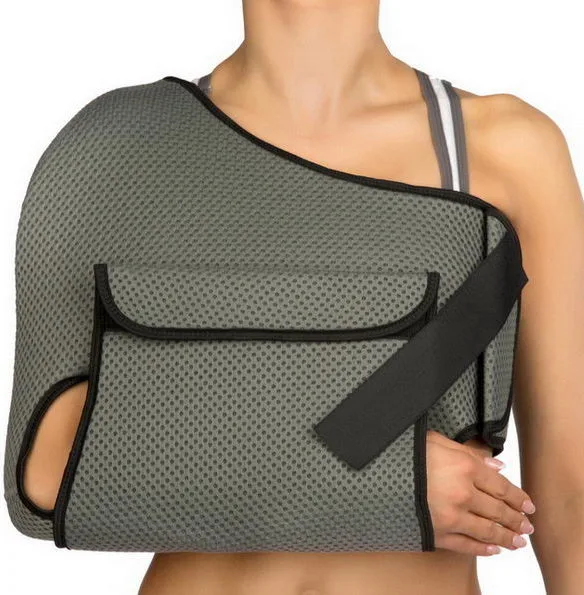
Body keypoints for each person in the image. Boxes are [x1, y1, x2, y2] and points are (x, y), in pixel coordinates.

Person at [21, 1, 584, 594]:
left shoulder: (502, 149)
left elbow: (571, 499)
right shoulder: (119, 146)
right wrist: (380, 481)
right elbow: (42, 476)